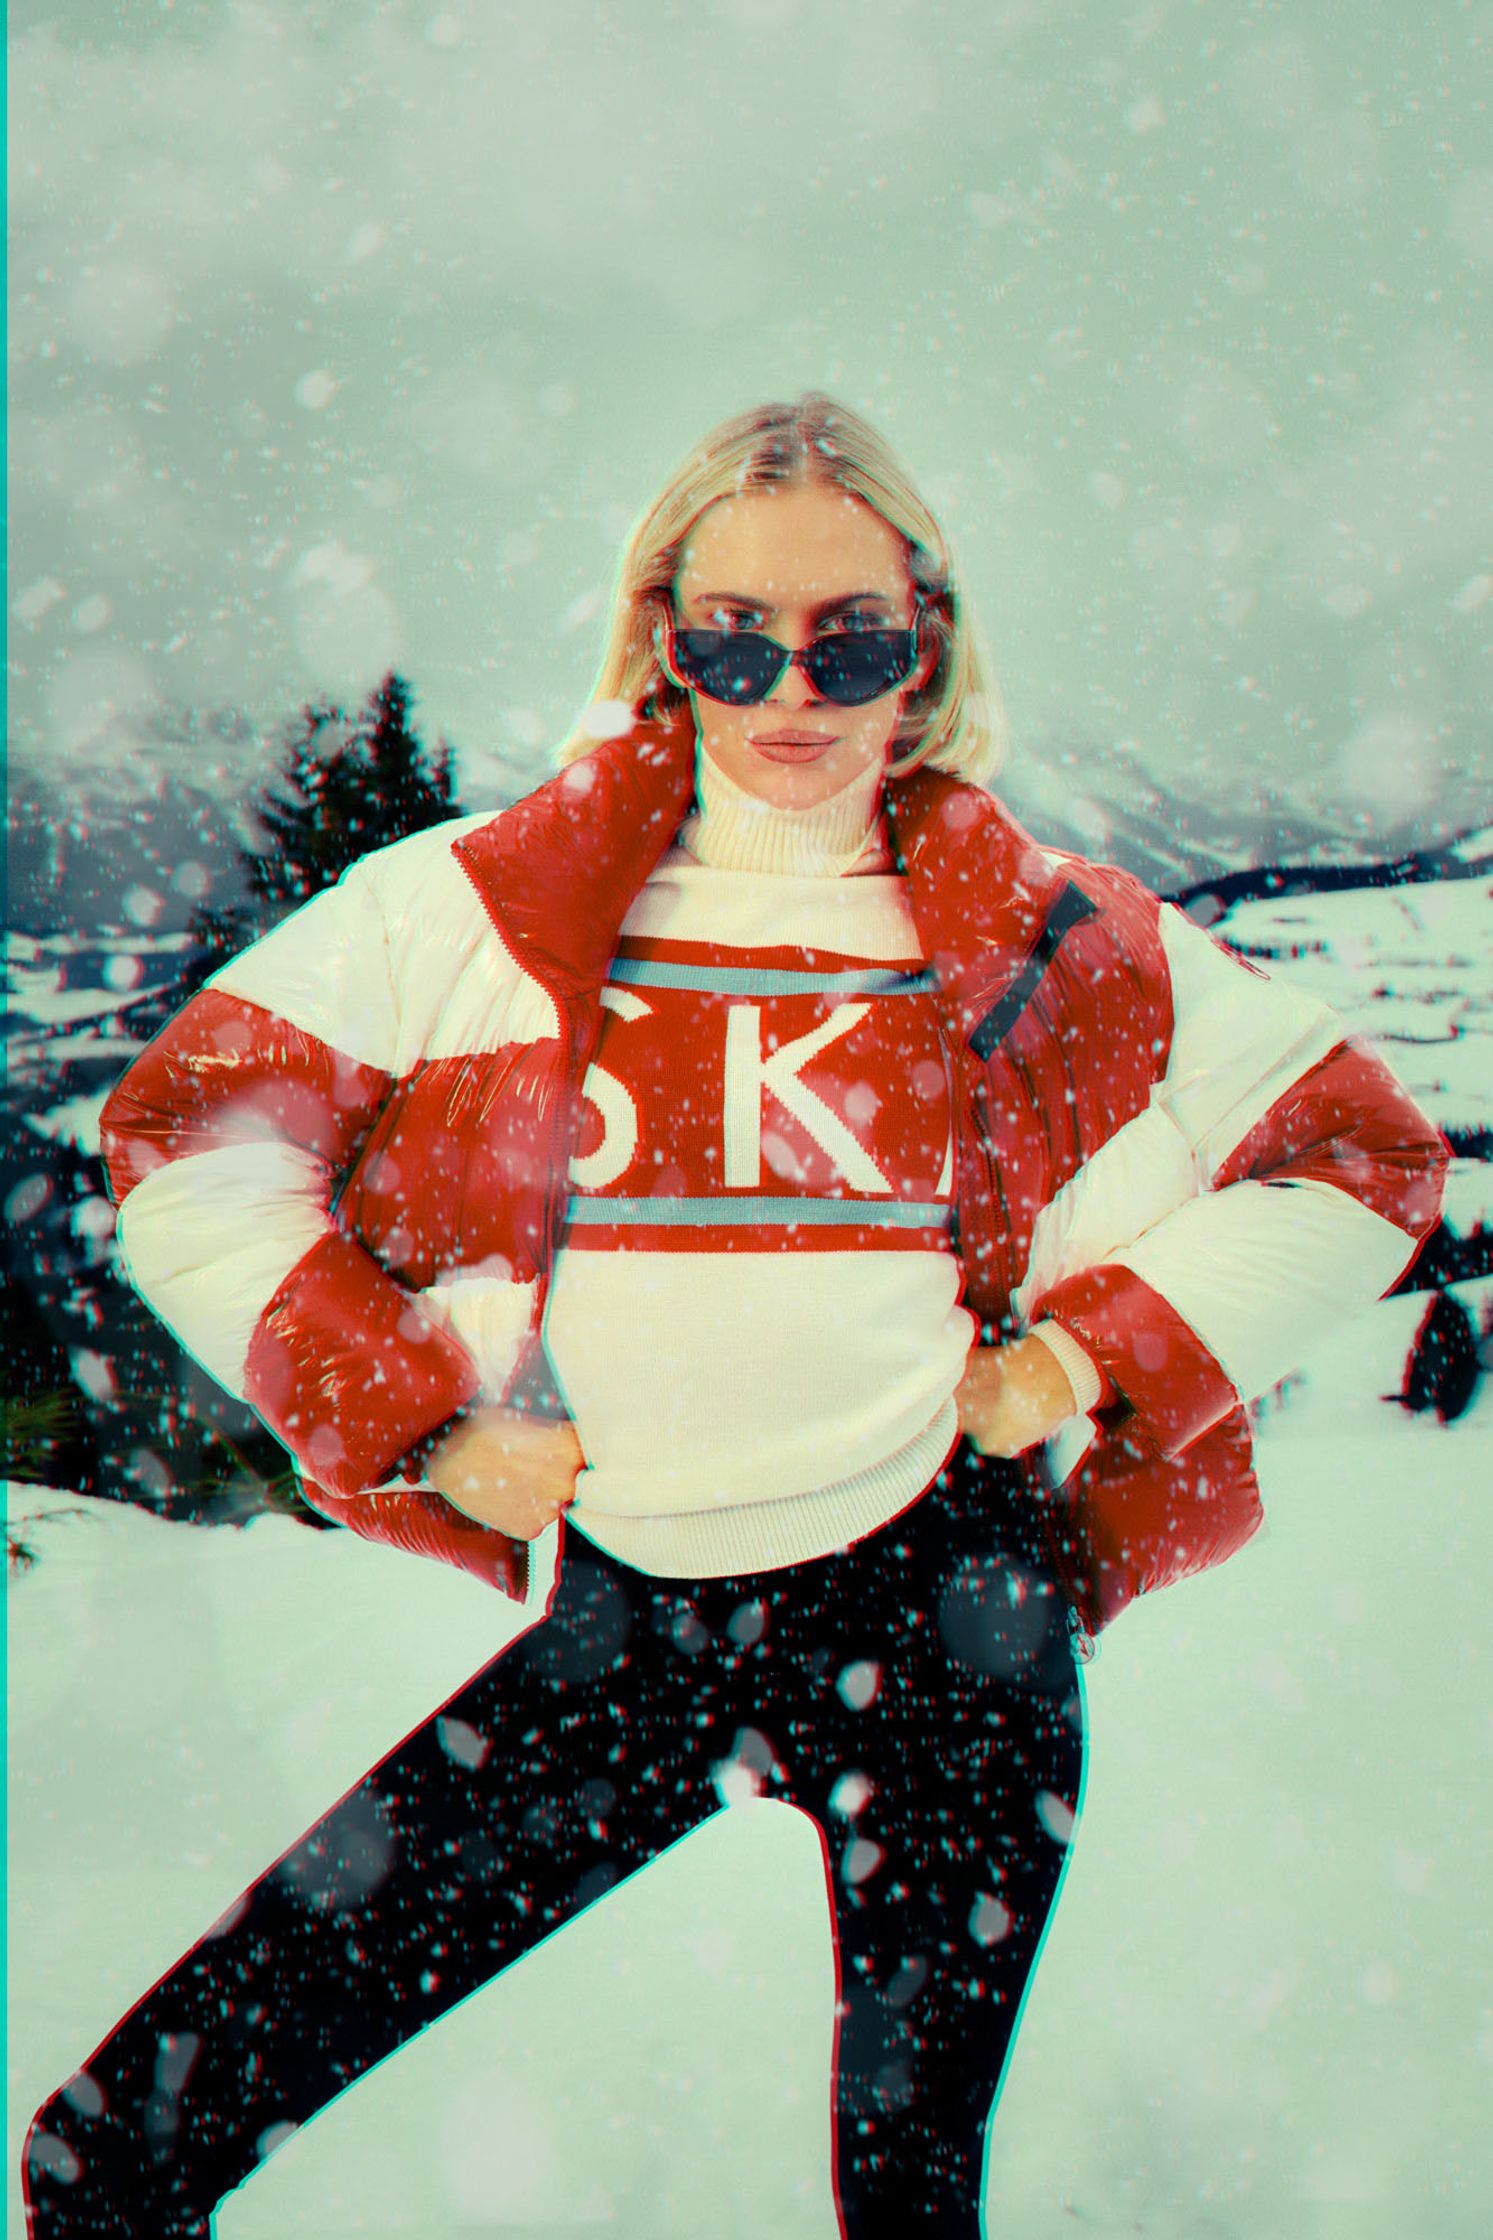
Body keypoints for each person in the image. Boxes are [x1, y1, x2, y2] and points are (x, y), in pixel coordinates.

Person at [24, 394, 1448, 2238]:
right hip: (633, 1626)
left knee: (906, 2201)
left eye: (850, 638)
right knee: (117, 2143)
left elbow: (1357, 1152)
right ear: (661, 635)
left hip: (951, 1630)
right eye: (733, 637)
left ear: (921, 644)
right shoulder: (480, 906)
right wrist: (424, 1422)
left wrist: (1083, 1358)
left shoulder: (1048, 930)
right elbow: (183, 1143)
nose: (793, 688)